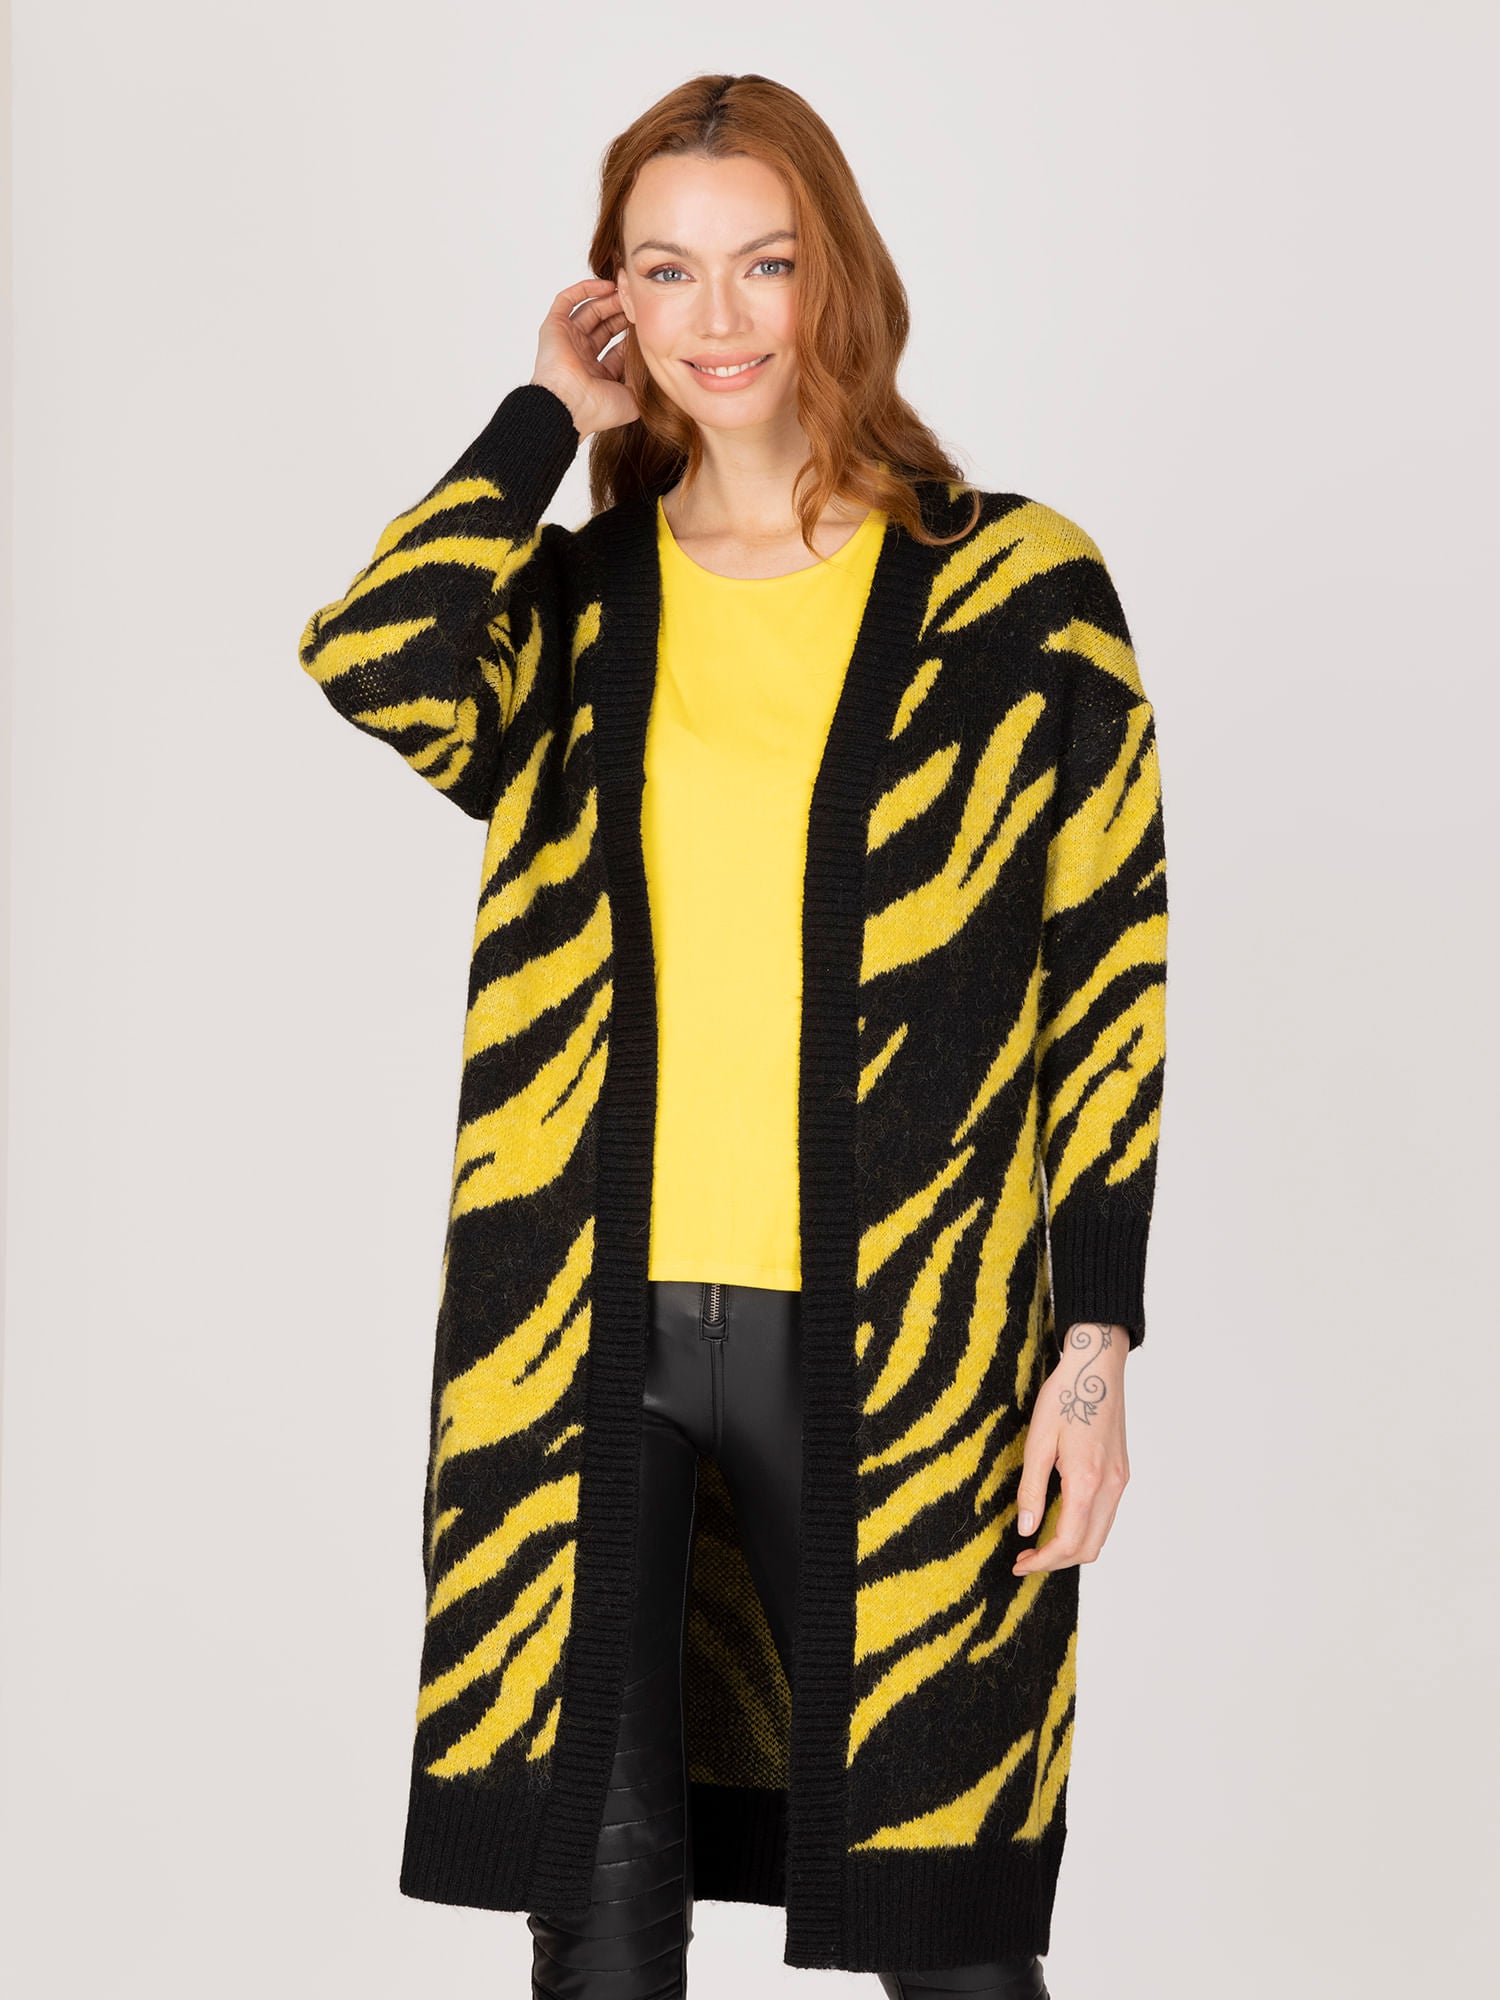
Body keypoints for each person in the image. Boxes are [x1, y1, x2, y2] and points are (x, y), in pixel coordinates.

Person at [298, 72, 1167, 2000]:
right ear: (613, 299)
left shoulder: (1017, 591)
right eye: (665, 272)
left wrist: (1095, 1351)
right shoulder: (578, 607)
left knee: (949, 1933)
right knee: (599, 1933)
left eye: (763, 264)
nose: (717, 319)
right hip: (578, 1345)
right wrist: (544, 419)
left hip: (912, 1349)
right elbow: (373, 656)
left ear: (834, 273)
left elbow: (1112, 971)